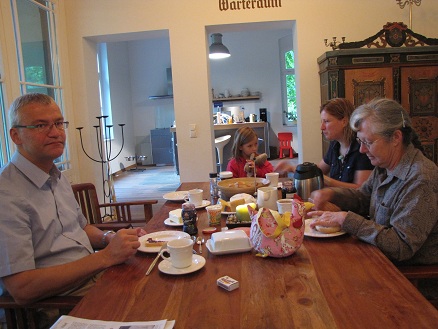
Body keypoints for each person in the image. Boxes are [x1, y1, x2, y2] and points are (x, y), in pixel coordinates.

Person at [0, 93, 144, 327]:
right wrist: (106, 258)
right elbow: (22, 288)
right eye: (40, 125)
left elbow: (81, 227)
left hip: (94, 278)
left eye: (58, 123)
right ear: (15, 135)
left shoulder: (56, 176)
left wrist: (110, 238)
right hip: (59, 305)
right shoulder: (6, 195)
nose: (55, 132)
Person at [308, 98, 438, 266]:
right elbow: (363, 197)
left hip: (408, 275)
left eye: (368, 142)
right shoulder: (384, 166)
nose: (362, 150)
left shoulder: (421, 178)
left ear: (396, 137)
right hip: (377, 256)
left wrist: (346, 220)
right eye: (360, 142)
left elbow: (402, 246)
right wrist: (332, 193)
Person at [275, 98, 374, 188]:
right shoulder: (335, 145)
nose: (321, 127)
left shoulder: (361, 148)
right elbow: (317, 170)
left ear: (344, 121)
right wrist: (292, 167)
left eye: (326, 121)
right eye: (321, 122)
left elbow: (361, 190)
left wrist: (326, 180)